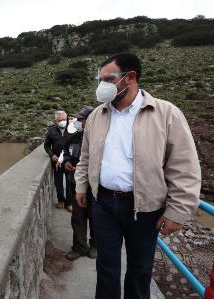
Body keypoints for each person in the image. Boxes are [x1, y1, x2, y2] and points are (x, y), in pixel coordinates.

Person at [74, 53, 201, 299]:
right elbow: (86, 157)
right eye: (99, 80)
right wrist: (81, 186)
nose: (101, 86)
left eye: (108, 79)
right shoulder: (96, 117)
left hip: (145, 209)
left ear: (130, 77)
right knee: (106, 267)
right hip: (103, 205)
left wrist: (177, 211)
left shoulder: (166, 113)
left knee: (140, 269)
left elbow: (184, 166)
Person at [57, 106, 97, 261]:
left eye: (82, 119)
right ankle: (79, 247)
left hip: (94, 187)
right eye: (78, 119)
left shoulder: (101, 137)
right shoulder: (74, 136)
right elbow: (65, 151)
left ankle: (95, 246)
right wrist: (66, 160)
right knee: (78, 218)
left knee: (95, 218)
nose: (79, 122)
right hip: (75, 184)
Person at [44, 110, 73, 211]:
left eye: (64, 119)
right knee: (58, 182)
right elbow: (46, 146)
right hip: (57, 162)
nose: (63, 122)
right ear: (55, 121)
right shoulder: (51, 131)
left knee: (70, 182)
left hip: (69, 160)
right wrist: (52, 155)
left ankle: (69, 203)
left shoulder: (72, 129)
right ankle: (61, 200)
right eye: (60, 120)